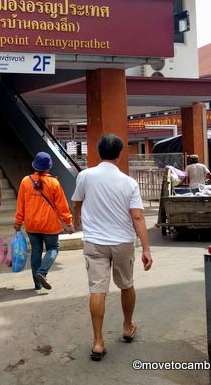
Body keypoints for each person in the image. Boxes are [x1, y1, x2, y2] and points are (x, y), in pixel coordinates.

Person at [71, 134, 152, 362]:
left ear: (98, 152)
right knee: (127, 285)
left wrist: (76, 221)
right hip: (123, 242)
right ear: (119, 154)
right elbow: (137, 216)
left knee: (97, 290)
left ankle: (97, 342)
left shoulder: (85, 176)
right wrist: (146, 249)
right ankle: (127, 327)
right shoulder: (129, 182)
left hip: (95, 242)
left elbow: (77, 202)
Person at [14, 152, 74, 290]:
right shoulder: (54, 182)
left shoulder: (25, 181)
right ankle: (42, 272)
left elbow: (20, 204)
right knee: (53, 248)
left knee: (36, 251)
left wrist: (18, 221)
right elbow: (62, 206)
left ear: (35, 165)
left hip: (32, 224)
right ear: (48, 167)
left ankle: (37, 284)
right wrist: (69, 223)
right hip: (49, 224)